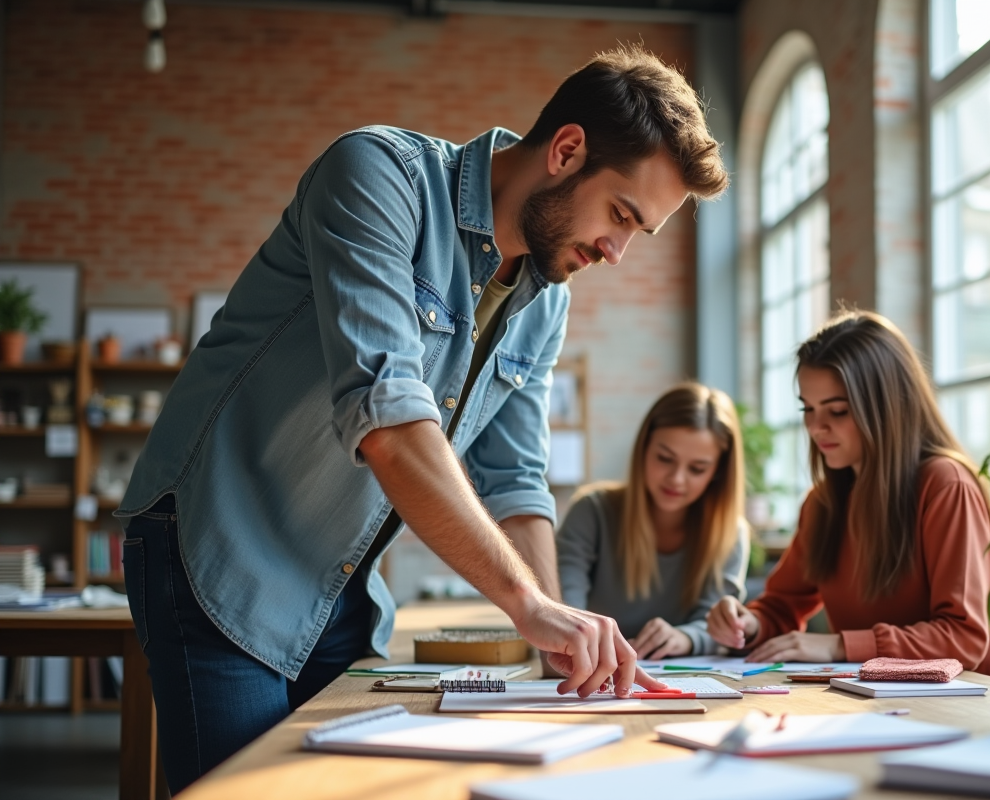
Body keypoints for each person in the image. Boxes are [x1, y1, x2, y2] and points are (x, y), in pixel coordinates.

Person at [116, 44, 728, 792]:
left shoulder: (547, 301)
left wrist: (553, 642)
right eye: (621, 214)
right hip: (219, 552)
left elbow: (514, 479)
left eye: (641, 232)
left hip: (336, 585)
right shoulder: (378, 176)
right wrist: (528, 604)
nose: (618, 250)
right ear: (567, 151)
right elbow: (390, 421)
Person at [707, 311, 990, 680]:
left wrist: (839, 645)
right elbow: (781, 606)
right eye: (808, 408)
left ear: (887, 407)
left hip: (969, 703)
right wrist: (747, 623)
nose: (815, 427)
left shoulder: (947, 485)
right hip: (875, 703)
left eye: (837, 410)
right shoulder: (822, 503)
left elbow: (964, 638)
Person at [557, 383, 749, 659]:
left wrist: (684, 637)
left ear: (718, 472)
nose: (676, 479)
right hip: (591, 673)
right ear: (643, 449)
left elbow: (717, 625)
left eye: (697, 468)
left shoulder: (730, 533)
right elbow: (562, 613)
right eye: (665, 458)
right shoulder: (591, 512)